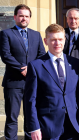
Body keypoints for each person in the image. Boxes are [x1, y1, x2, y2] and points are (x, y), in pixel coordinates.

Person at [24, 24, 79, 140]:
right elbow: (30, 100)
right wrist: (34, 127)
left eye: (60, 39)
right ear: (46, 41)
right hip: (48, 126)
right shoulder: (36, 65)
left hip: (73, 126)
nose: (57, 43)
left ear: (65, 40)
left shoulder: (75, 63)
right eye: (53, 40)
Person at [0, 4, 46, 140]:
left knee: (30, 115)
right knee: (12, 117)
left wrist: (30, 69)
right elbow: (6, 55)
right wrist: (22, 68)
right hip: (13, 83)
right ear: (15, 17)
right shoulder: (6, 34)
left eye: (26, 16)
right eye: (21, 16)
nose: (24, 18)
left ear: (30, 18)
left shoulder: (36, 35)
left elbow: (41, 55)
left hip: (31, 82)